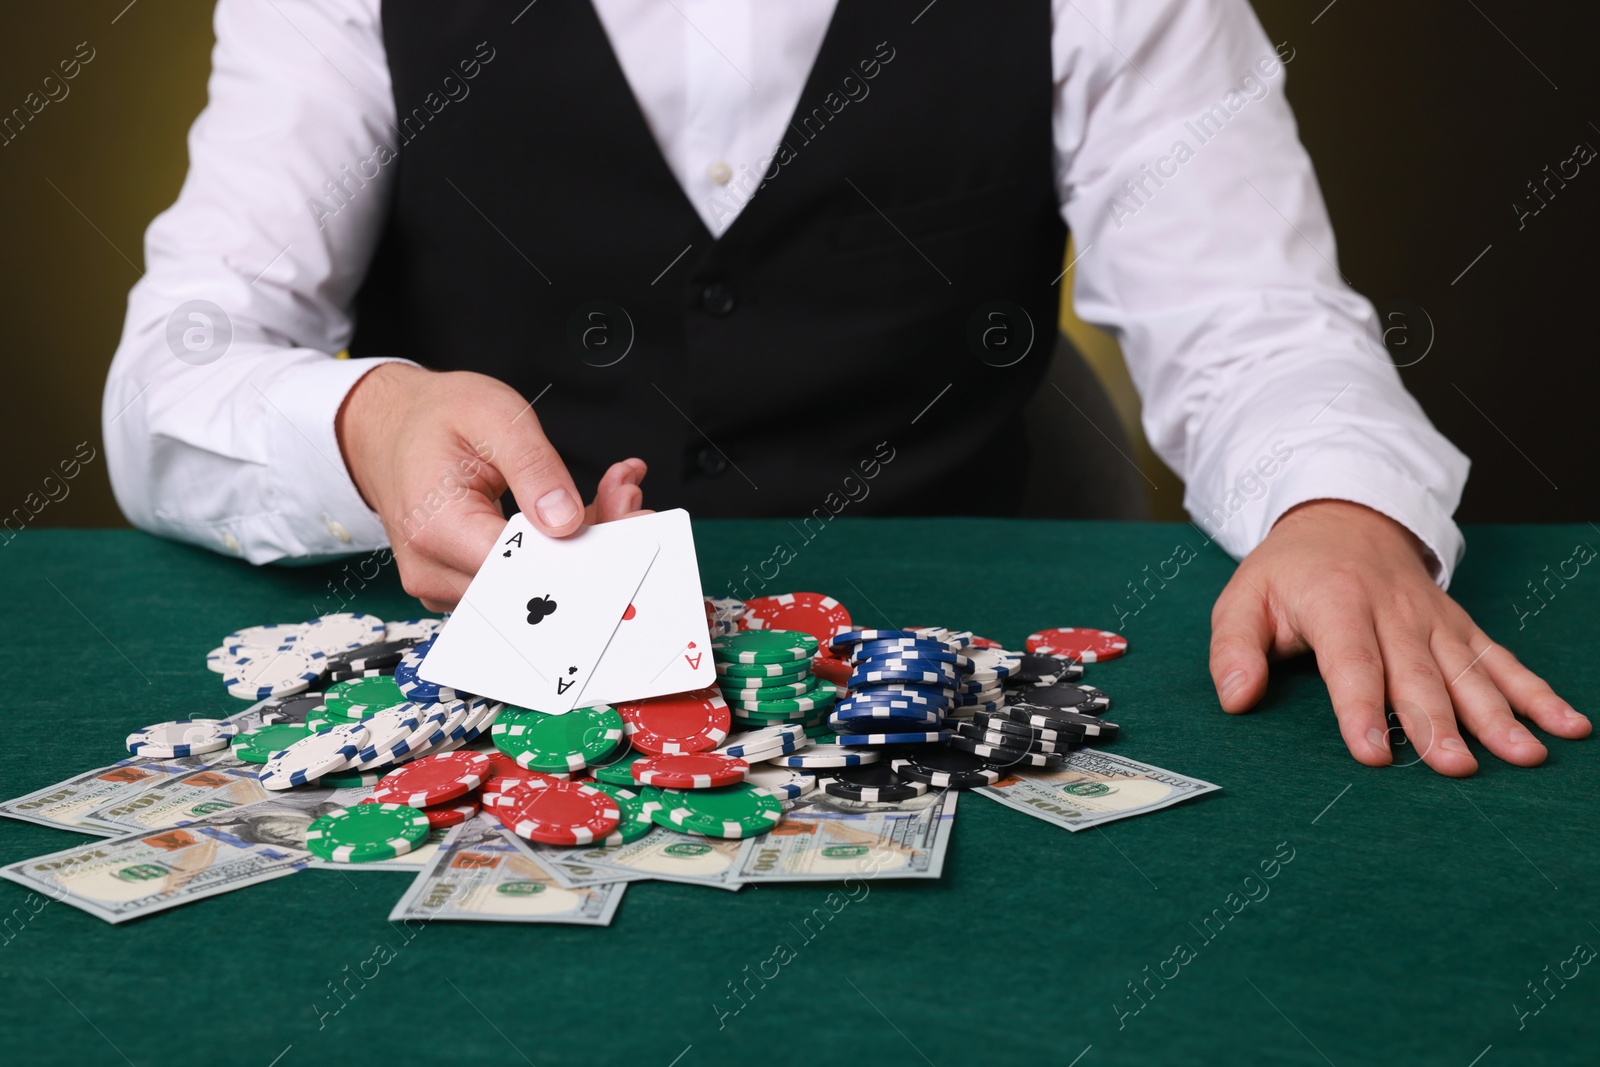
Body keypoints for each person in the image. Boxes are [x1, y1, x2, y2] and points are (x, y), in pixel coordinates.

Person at [102, 0, 1588, 777]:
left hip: (923, 704)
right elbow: (176, 370)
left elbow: (1260, 331)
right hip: (479, 697)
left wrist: (1338, 509)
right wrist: (367, 425)